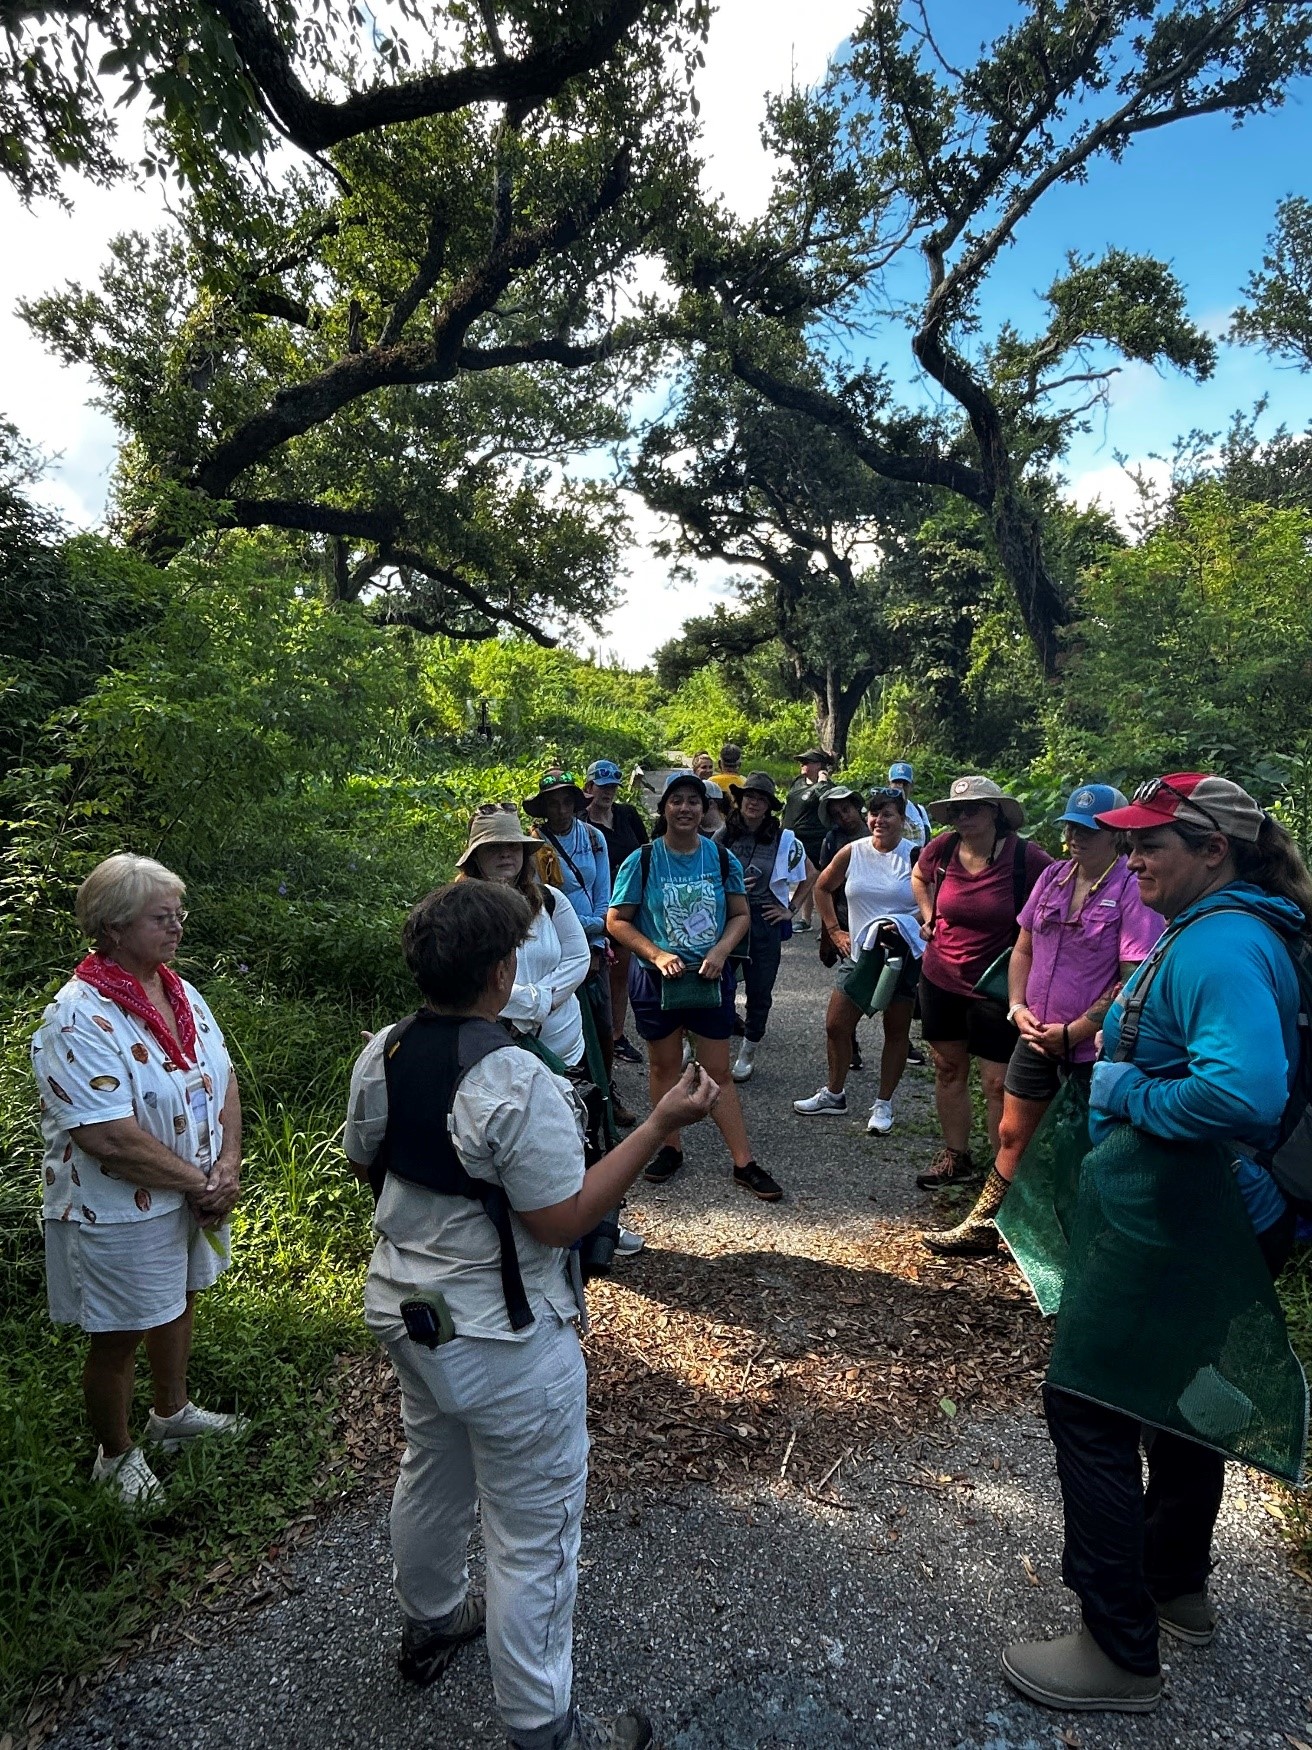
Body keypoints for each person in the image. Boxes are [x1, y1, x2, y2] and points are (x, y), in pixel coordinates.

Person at [345, 879, 720, 1750]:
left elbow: (372, 1161)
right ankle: (542, 1727)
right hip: (504, 1337)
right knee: (534, 1527)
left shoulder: (383, 1054)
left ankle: (432, 1621)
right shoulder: (517, 1079)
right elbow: (561, 1218)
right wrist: (659, 1120)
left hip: (406, 1309)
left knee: (431, 1462)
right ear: (504, 968)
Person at [1002, 773, 1311, 1714]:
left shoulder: (1220, 944)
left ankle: (1117, 1648)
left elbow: (1244, 1093)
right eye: (1127, 843)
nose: (1132, 860)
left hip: (1186, 1222)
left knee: (1088, 1402)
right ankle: (1176, 1581)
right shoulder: (1244, 925)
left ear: (1214, 850)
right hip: (1220, 1219)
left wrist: (1126, 1094)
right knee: (1178, 1394)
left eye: (1152, 846)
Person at [30, 853, 244, 1505]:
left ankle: (171, 1414)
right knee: (119, 1330)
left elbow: (224, 1074)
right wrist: (199, 1181)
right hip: (117, 1208)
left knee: (177, 1297)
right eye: (162, 916)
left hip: (189, 1192)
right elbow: (107, 1138)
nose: (177, 926)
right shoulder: (76, 1016)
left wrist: (227, 1164)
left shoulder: (176, 989)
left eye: (179, 914)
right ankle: (115, 1454)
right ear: (113, 926)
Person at [922, 784, 1159, 1255]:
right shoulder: (1053, 877)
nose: (1076, 836)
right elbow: (1024, 946)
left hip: (1095, 1047)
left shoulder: (1132, 890)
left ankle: (1089, 1242)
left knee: (1090, 1144)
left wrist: (1077, 1031)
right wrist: (1016, 1007)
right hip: (1034, 1032)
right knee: (1013, 1131)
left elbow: (1133, 976)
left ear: (1118, 835)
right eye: (1070, 826)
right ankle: (990, 1223)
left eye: (1090, 829)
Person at [459, 806, 645, 1260]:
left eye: (513, 847)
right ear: (475, 858)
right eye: (493, 847)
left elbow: (578, 959)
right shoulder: (461, 911)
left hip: (563, 1045)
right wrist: (530, 1003)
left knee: (578, 1133)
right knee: (511, 1140)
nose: (505, 855)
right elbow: (467, 974)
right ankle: (525, 1230)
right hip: (494, 1049)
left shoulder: (551, 901)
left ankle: (596, 1223)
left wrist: (537, 1000)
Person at [607, 772, 784, 1201]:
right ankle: (670, 1147)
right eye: (677, 801)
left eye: (694, 801)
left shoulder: (721, 859)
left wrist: (722, 951)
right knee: (664, 1068)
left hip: (709, 979)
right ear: (664, 808)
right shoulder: (643, 859)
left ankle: (744, 1162)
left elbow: (741, 914)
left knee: (718, 1071)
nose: (685, 808)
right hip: (656, 981)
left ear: (706, 810)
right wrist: (656, 954)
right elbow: (616, 920)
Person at [910, 776, 1052, 1188]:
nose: (963, 816)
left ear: (995, 811)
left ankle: (1001, 1176)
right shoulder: (944, 848)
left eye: (973, 808)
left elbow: (1055, 901)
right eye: (956, 810)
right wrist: (928, 914)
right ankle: (957, 1157)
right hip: (940, 976)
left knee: (996, 1083)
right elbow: (919, 876)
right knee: (947, 1068)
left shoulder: (1027, 858)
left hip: (996, 985)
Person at [793, 788, 923, 1133]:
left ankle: (884, 1104)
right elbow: (822, 887)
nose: (879, 821)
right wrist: (834, 930)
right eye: (875, 814)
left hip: (900, 955)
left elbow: (932, 908)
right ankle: (834, 1093)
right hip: (860, 953)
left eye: (888, 814)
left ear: (903, 819)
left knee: (895, 1031)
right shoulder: (853, 852)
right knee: (837, 1024)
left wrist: (913, 928)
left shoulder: (916, 857)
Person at [525, 771, 633, 1129]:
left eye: (566, 801)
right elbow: (540, 899)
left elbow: (606, 894)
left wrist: (599, 939)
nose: (561, 809)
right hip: (552, 941)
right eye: (553, 802)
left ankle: (605, 1091)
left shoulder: (594, 838)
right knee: (555, 1020)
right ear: (544, 807)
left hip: (594, 944)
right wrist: (589, 924)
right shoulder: (535, 844)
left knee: (601, 1025)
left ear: (576, 802)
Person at [716, 772, 813, 1082]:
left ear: (769, 806)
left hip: (763, 918)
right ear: (740, 800)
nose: (754, 802)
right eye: (749, 796)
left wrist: (791, 909)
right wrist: (726, 886)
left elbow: (812, 874)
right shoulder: (723, 835)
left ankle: (749, 1049)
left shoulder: (785, 839)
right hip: (727, 915)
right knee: (718, 983)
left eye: (761, 798)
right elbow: (702, 870)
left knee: (760, 989)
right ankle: (709, 1045)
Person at [583, 760, 649, 1067]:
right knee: (592, 972)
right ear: (589, 788)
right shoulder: (581, 823)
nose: (607, 792)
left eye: (612, 787)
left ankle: (617, 1035)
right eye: (602, 786)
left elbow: (645, 852)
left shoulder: (627, 815)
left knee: (621, 973)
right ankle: (591, 1034)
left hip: (626, 906)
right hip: (595, 905)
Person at [816, 785, 871, 1071]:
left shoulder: (876, 834)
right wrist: (829, 934)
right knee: (850, 987)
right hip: (846, 922)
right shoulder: (833, 839)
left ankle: (903, 1041)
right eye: (836, 814)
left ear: (857, 807)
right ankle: (850, 1044)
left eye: (846, 809)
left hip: (878, 922)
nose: (843, 817)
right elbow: (826, 887)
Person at [781, 748, 833, 927]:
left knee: (817, 880)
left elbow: (827, 799)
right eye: (802, 761)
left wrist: (823, 780)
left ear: (819, 765)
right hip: (794, 838)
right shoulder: (797, 782)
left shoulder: (826, 786)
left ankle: (827, 924)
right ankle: (805, 919)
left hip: (815, 840)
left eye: (808, 761)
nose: (803, 764)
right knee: (802, 878)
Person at [889, 761, 932, 849]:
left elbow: (928, 839)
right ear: (889, 784)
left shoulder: (919, 810)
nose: (900, 787)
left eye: (905, 784)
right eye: (896, 782)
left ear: (911, 786)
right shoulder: (883, 811)